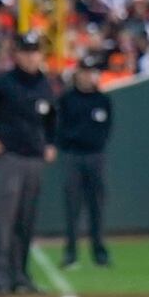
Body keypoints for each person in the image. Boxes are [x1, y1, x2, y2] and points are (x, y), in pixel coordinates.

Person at [0, 32, 57, 295]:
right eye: (26, 51)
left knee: (25, 221)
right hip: (8, 158)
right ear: (16, 54)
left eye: (35, 51)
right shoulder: (2, 82)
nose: (31, 56)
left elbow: (52, 117)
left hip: (34, 159)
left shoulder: (44, 83)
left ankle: (20, 277)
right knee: (2, 221)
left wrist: (51, 142)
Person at [55, 61, 114, 268]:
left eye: (91, 72)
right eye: (84, 72)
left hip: (95, 156)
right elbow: (58, 127)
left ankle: (99, 253)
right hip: (73, 156)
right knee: (72, 207)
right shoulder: (67, 99)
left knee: (97, 206)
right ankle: (71, 253)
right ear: (77, 74)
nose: (87, 76)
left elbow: (107, 128)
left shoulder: (102, 99)